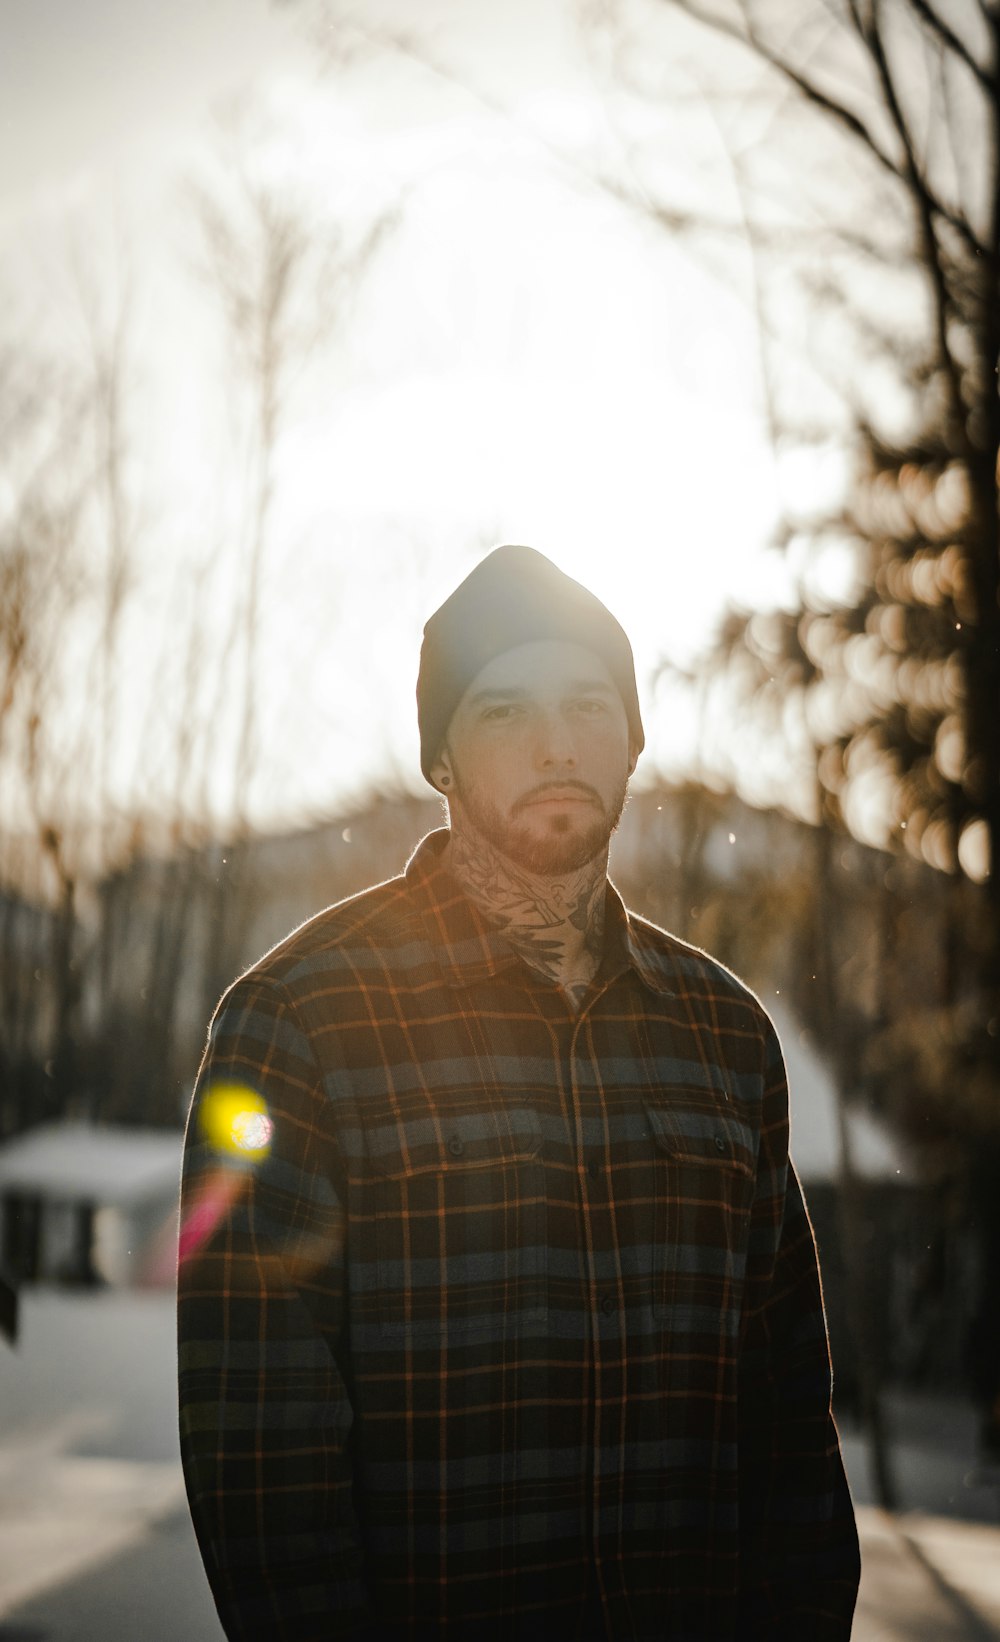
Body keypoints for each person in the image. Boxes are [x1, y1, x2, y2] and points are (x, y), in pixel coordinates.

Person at [177, 546, 860, 1641]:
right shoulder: (298, 1025)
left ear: (631, 741)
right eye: (503, 710)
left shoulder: (726, 1040)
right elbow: (263, 1462)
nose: (556, 742)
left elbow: (787, 1432)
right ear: (439, 756)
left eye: (589, 703)